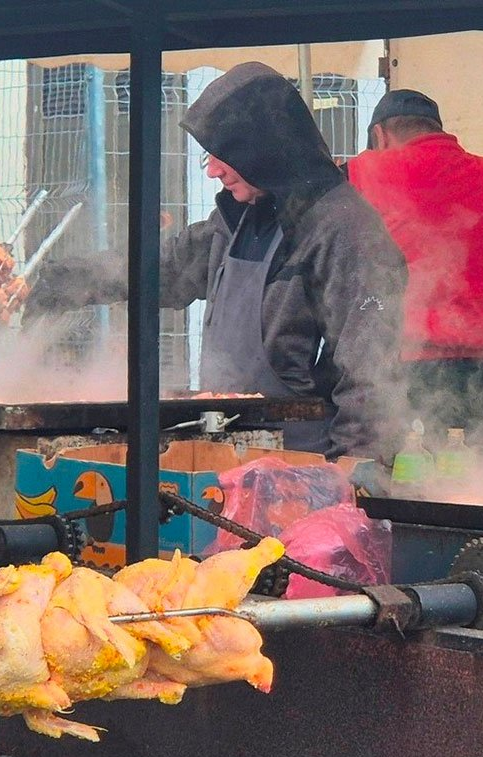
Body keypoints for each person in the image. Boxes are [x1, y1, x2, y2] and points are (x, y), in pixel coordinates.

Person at [161, 62, 407, 460]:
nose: (213, 171)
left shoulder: (348, 232)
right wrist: (63, 283)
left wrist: (350, 477)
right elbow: (164, 270)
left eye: (224, 154)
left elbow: (371, 381)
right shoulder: (237, 221)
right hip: (225, 458)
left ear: (262, 148)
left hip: (302, 464)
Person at [347, 89, 483, 440]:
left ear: (380, 135)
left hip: (405, 373)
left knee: (407, 469)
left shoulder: (365, 171)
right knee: (480, 468)